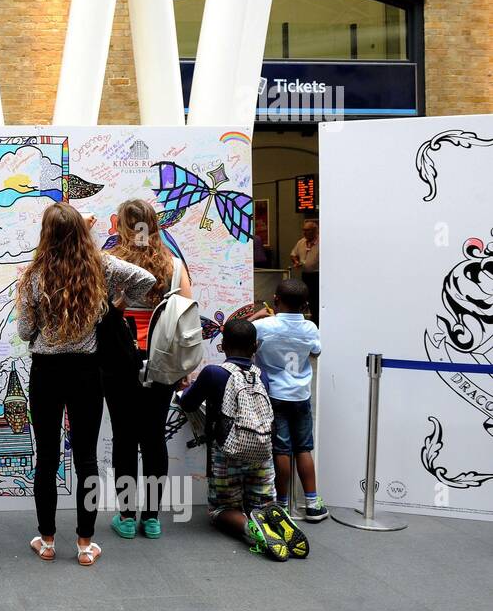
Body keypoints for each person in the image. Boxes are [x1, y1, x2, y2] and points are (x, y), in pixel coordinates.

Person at [17, 202, 156, 567]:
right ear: (81, 233)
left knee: (45, 459)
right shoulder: (99, 266)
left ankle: (46, 540)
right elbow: (147, 281)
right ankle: (84, 543)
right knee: (86, 459)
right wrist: (113, 304)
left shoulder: (34, 274)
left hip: (45, 372)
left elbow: (23, 331)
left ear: (46, 234)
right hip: (86, 372)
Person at [177, 319, 307, 561]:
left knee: (221, 509)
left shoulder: (213, 373)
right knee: (262, 505)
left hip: (227, 453)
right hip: (261, 453)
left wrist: (186, 387)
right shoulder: (263, 377)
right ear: (255, 346)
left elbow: (188, 403)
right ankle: (272, 518)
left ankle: (252, 529)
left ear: (223, 345)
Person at [105, 199, 193, 540]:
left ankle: (126, 517)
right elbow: (186, 318)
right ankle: (152, 519)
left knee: (124, 438)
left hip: (120, 362)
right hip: (161, 362)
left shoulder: (114, 265)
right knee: (154, 437)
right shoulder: (173, 266)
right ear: (155, 225)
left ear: (123, 227)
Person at [252, 278, 327, 521]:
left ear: (275, 300)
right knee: (304, 447)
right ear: (306, 305)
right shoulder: (311, 328)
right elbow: (316, 351)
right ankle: (313, 503)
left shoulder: (265, 325)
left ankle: (282, 504)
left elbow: (239, 332)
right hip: (301, 395)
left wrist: (256, 316)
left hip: (274, 395)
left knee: (281, 450)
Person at [290, 219, 320, 324]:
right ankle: (307, 321)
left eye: (308, 230)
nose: (305, 233)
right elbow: (293, 254)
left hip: (318, 276)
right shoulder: (301, 242)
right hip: (305, 275)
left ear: (315, 231)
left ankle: (317, 322)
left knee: (316, 301)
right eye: (304, 230)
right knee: (306, 299)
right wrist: (296, 261)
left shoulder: (321, 242)